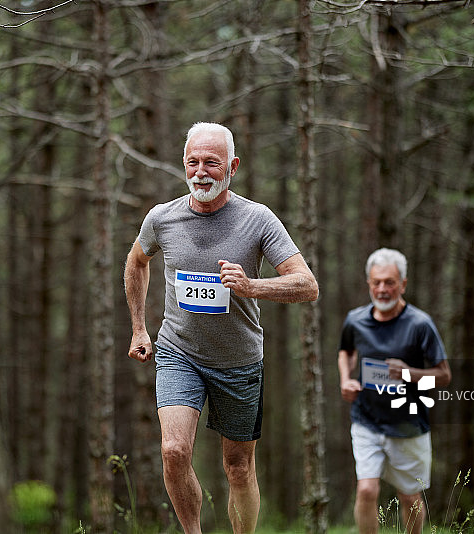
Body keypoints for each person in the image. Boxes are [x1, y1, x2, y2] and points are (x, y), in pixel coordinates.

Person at [124, 122, 318, 533]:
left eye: (211, 163)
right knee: (174, 451)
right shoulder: (162, 218)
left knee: (238, 467)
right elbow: (137, 261)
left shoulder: (257, 219)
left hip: (238, 361)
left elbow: (307, 285)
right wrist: (139, 328)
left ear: (233, 167)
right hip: (179, 353)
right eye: (192, 162)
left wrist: (252, 286)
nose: (200, 172)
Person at [338, 248, 451, 534]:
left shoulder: (420, 324)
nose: (382, 289)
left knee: (410, 497)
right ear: (368, 283)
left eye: (389, 282)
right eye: (376, 282)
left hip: (408, 425)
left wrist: (409, 373)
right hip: (367, 420)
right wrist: (346, 379)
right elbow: (346, 351)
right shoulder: (355, 320)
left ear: (403, 284)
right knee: (366, 489)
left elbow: (443, 376)